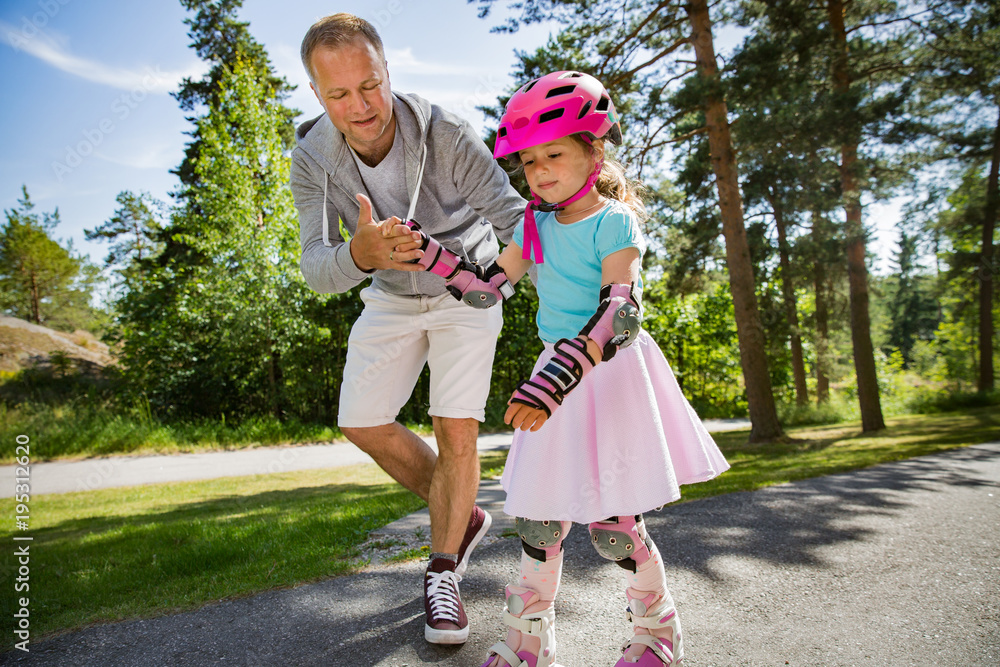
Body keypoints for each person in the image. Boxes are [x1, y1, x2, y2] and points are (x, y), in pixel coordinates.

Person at [473, 71, 731, 667]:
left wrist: (556, 376)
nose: (538, 171)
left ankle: (655, 633)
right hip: (555, 371)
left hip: (605, 370)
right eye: (528, 162)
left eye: (553, 155)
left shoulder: (615, 221)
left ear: (594, 149)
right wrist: (429, 258)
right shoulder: (531, 224)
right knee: (539, 520)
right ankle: (526, 640)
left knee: (612, 527)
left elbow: (620, 312)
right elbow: (488, 286)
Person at [289, 14, 525, 645]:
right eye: (338, 94)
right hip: (390, 293)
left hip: (464, 288)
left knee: (455, 426)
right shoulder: (313, 155)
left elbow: (518, 221)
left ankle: (442, 570)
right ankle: (460, 511)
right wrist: (361, 256)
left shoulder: (446, 134)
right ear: (317, 95)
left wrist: (492, 283)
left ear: (386, 70)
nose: (359, 106)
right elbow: (316, 267)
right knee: (361, 421)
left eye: (369, 85)